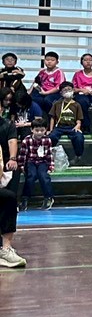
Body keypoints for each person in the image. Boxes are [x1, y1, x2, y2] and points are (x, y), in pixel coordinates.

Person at [0, 108, 25, 265]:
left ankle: (5, 249)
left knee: (8, 198)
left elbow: (12, 142)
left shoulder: (7, 125)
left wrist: (13, 158)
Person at [19, 119, 54, 209]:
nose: (39, 133)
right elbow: (23, 154)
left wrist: (51, 166)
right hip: (31, 162)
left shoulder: (47, 140)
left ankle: (48, 197)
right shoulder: (26, 140)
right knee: (31, 176)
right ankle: (25, 198)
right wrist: (21, 165)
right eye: (37, 130)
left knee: (44, 176)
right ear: (32, 130)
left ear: (45, 130)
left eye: (42, 130)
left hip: (43, 162)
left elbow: (49, 154)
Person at [49, 83, 85, 159]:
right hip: (59, 127)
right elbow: (52, 117)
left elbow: (79, 119)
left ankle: (78, 156)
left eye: (69, 89)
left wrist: (78, 126)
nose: (67, 91)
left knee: (79, 138)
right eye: (65, 90)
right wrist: (51, 129)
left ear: (73, 91)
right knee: (52, 137)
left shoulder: (77, 105)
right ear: (61, 93)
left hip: (72, 127)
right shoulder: (57, 104)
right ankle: (49, 154)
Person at [30, 51, 65, 120]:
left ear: (57, 62)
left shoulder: (59, 72)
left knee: (47, 100)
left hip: (54, 93)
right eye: (47, 60)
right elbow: (36, 82)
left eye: (52, 60)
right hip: (42, 91)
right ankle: (37, 119)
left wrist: (46, 93)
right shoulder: (42, 72)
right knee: (34, 99)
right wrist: (29, 92)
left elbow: (58, 87)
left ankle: (51, 119)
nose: (49, 62)